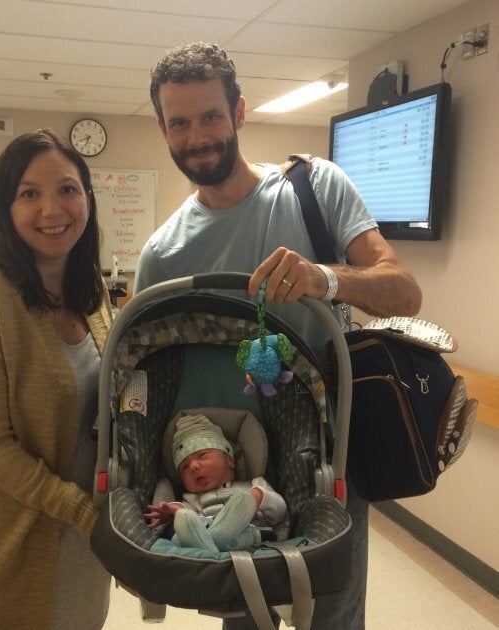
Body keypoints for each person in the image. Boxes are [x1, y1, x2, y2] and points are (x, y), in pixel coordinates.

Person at [135, 42, 423, 630]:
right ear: (163, 130)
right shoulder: (162, 256)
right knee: (246, 614)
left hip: (325, 456)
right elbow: (142, 375)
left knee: (336, 616)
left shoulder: (315, 188)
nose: (197, 136)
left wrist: (327, 278)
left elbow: (405, 290)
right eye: (180, 123)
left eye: (211, 116)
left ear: (239, 112)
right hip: (228, 470)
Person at [0, 128, 113, 629]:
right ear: (5, 209)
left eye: (66, 189)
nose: (52, 210)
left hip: (83, 548)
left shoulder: (91, 289)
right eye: (29, 194)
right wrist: (84, 515)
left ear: (87, 197)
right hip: (6, 549)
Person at [145, 414, 288, 552]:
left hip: (248, 539)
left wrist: (257, 497)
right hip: (203, 535)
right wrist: (174, 512)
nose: (193, 466)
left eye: (202, 456)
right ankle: (213, 543)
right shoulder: (191, 499)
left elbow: (280, 513)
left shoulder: (254, 484)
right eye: (184, 467)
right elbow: (187, 516)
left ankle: (215, 542)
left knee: (244, 502)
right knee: (184, 519)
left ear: (230, 460)